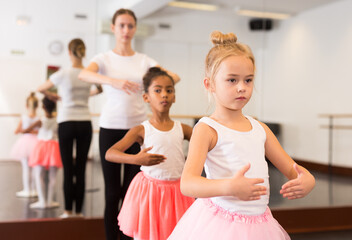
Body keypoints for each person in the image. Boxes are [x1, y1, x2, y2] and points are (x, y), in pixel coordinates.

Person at [168, 31, 316, 240]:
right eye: (232, 80)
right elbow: (188, 183)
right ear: (209, 84)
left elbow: (294, 170)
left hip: (260, 225)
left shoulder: (260, 129)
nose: (242, 88)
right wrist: (229, 186)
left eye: (248, 80)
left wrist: (307, 179)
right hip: (219, 226)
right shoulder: (207, 129)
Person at [78, 8, 180, 240]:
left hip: (139, 130)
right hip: (110, 128)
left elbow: (173, 77)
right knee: (112, 193)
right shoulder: (104, 59)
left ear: (135, 29)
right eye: (121, 25)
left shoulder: (144, 60)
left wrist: (152, 85)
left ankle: (128, 237)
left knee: (131, 191)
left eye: (130, 26)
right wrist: (113, 81)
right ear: (113, 28)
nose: (126, 30)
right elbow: (84, 74)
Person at [105, 67, 194, 240]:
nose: (164, 95)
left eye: (169, 90)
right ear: (146, 97)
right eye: (158, 90)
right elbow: (110, 153)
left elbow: (206, 143)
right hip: (150, 192)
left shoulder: (182, 129)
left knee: (176, 234)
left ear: (174, 96)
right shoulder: (141, 130)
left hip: (177, 193)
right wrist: (136, 159)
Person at [37, 38, 102, 218]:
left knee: (68, 169)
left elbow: (40, 88)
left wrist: (55, 96)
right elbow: (100, 89)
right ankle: (79, 212)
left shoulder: (63, 73)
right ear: (83, 51)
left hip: (66, 122)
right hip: (84, 123)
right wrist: (86, 95)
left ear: (69, 52)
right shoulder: (87, 73)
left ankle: (67, 211)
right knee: (80, 169)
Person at [28, 97, 62, 209]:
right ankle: (50, 201)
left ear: (43, 107)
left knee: (39, 175)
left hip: (41, 147)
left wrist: (36, 131)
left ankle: (42, 201)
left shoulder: (41, 120)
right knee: (53, 177)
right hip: (53, 147)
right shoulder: (57, 121)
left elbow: (27, 129)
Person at [10, 92, 39, 198]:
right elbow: (40, 132)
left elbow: (17, 131)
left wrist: (25, 130)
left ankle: (27, 190)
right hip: (36, 144)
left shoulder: (24, 117)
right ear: (37, 106)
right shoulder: (39, 118)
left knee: (26, 168)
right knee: (36, 168)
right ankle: (35, 189)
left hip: (25, 144)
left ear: (26, 106)